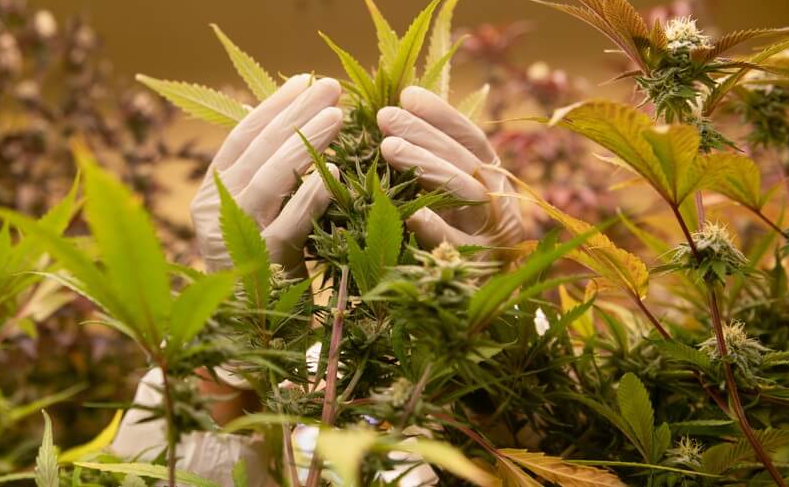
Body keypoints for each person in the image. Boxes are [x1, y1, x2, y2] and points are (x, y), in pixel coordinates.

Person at [109, 75, 524, 485]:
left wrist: (492, 318)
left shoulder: (426, 375)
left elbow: (565, 445)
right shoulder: (311, 380)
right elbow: (150, 470)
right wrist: (234, 353)